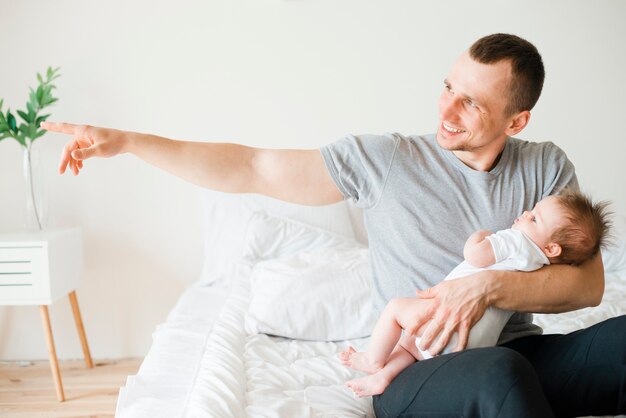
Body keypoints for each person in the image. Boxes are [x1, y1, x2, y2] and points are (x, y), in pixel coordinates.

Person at [42, 33, 625, 417]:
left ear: (516, 120)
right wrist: (130, 142)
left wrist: (489, 286)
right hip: (418, 372)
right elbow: (254, 166)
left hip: (518, 353)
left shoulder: (546, 168)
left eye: (471, 102)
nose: (445, 111)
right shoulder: (388, 160)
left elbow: (586, 286)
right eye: (449, 87)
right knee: (500, 377)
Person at [340, 191, 611, 398]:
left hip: (446, 325)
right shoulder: (538, 264)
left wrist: (479, 237)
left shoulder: (516, 241)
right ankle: (383, 378)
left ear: (552, 248)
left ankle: (374, 359)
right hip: (471, 348)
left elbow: (477, 255)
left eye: (534, 218)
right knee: (411, 346)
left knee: (397, 309)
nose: (525, 214)